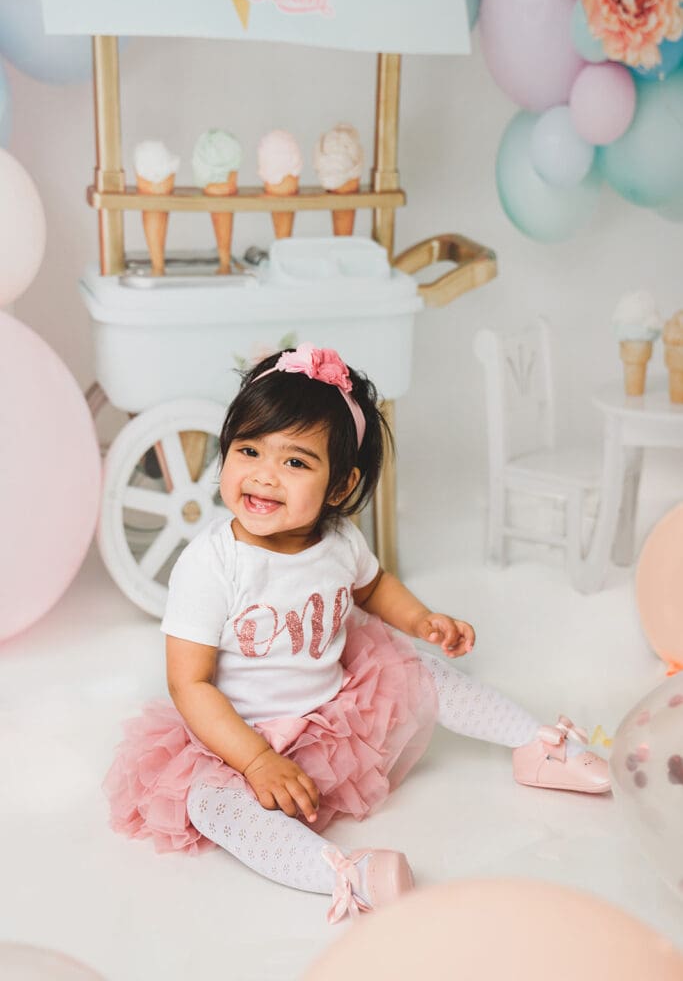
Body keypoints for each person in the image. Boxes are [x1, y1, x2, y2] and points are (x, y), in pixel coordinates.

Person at [104, 343, 610, 924]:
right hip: (235, 737)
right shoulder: (211, 564)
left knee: (423, 671)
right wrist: (256, 762)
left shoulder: (340, 541)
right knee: (210, 804)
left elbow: (372, 589)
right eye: (248, 450)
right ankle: (344, 874)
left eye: (295, 462)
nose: (265, 475)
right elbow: (189, 684)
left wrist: (422, 620)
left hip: (333, 712)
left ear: (339, 487)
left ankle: (535, 745)